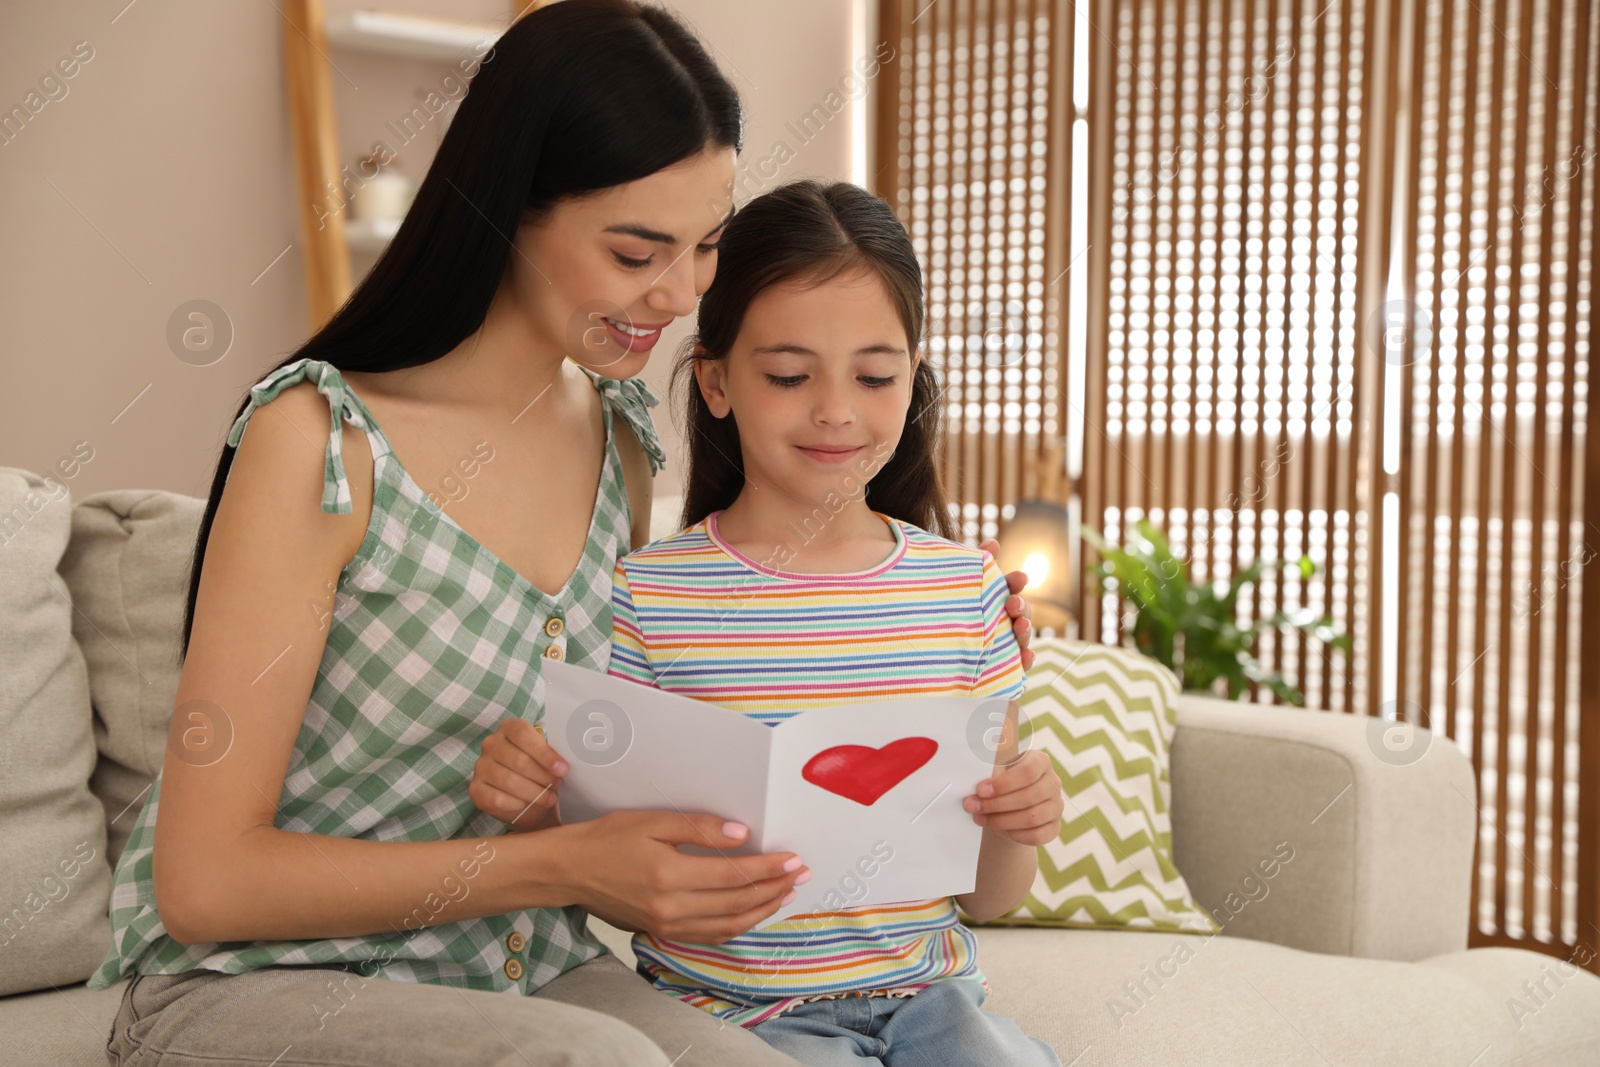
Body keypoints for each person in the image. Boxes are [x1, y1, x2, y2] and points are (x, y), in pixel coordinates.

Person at [87, 4, 1034, 1065]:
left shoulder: (620, 435)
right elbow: (204, 880)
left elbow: (643, 722)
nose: (677, 297)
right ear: (504, 211)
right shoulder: (319, 438)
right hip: (268, 981)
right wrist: (570, 863)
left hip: (524, 965)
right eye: (637, 250)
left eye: (705, 248)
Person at [470, 180, 1064, 1067]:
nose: (836, 410)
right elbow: (612, 871)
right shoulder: (648, 594)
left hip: (935, 1005)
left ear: (913, 378)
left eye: (875, 375)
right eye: (789, 375)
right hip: (734, 1019)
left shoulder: (964, 588)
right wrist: (534, 815)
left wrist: (1019, 821)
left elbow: (987, 897)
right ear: (715, 381)